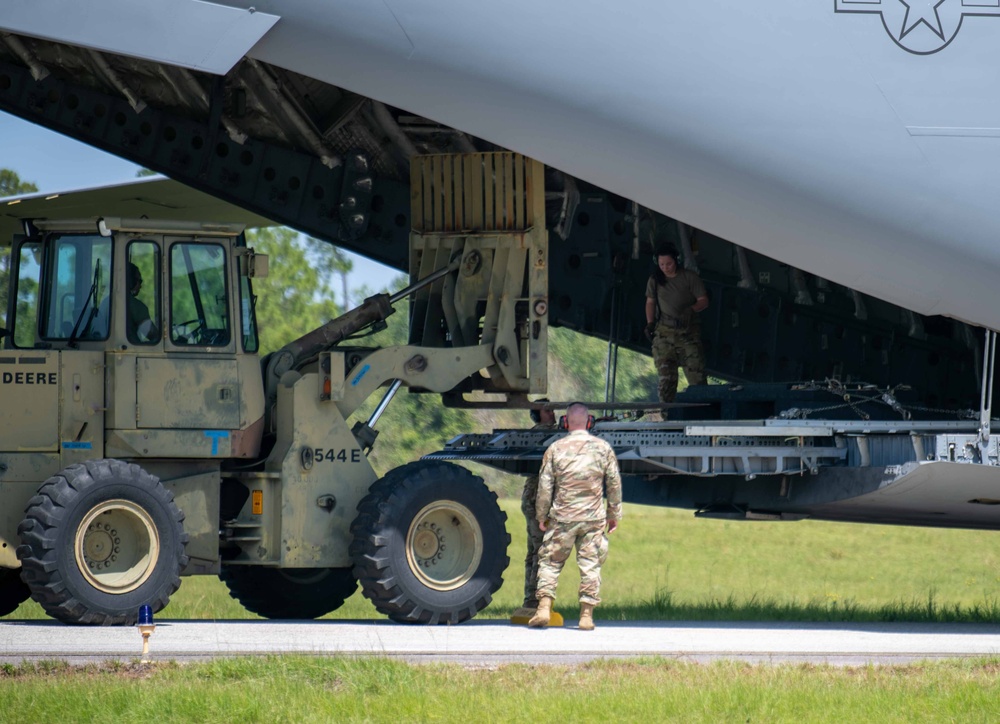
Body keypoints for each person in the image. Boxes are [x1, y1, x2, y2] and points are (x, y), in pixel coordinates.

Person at [529, 402, 622, 631]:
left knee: (550, 562)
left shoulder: (555, 448)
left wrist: (541, 515)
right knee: (590, 564)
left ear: (566, 422)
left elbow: (545, 485)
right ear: (589, 422)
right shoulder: (603, 448)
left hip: (563, 517)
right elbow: (613, 484)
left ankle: (543, 608)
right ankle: (586, 615)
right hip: (593, 518)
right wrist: (613, 514)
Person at [511, 399, 558, 622]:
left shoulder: (535, 432)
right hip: (539, 503)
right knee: (541, 553)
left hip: (531, 501)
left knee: (533, 553)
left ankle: (530, 599)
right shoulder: (545, 431)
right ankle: (536, 600)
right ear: (538, 416)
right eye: (548, 411)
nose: (553, 414)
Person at [644, 244, 709, 405]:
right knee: (666, 380)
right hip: (664, 335)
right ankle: (667, 417)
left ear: (676, 261)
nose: (665, 268)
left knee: (697, 378)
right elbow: (650, 302)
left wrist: (691, 310)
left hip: (688, 334)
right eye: (662, 264)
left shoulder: (689, 277)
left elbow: (704, 300)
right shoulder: (655, 280)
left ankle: (702, 415)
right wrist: (650, 323)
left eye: (669, 264)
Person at [126, 262, 158, 344]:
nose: (140, 286)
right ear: (131, 281)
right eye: (139, 281)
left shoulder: (105, 302)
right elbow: (152, 334)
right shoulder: (135, 305)